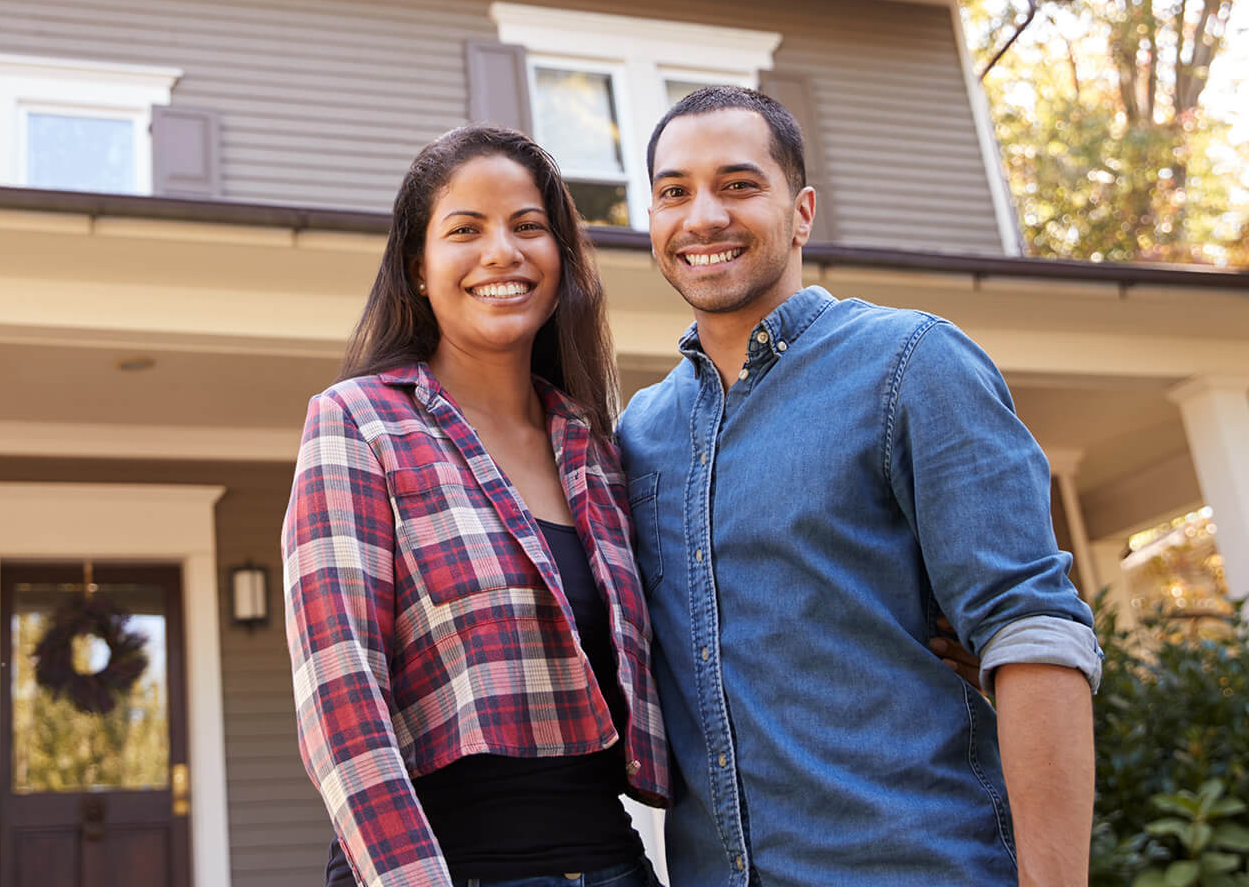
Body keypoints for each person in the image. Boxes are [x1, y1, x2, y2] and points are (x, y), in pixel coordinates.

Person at [618, 85, 1099, 885]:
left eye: (739, 185)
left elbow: (1032, 633)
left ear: (802, 212)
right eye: (674, 192)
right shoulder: (639, 434)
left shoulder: (911, 365)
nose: (702, 216)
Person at [283, 125, 667, 887]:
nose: (503, 252)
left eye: (529, 227)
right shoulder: (357, 424)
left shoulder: (596, 450)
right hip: (449, 866)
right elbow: (341, 700)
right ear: (418, 270)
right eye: (465, 230)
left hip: (614, 863)